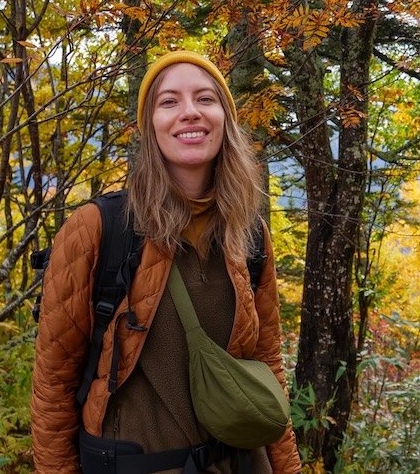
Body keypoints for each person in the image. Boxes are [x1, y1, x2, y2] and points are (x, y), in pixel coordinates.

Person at [31, 50, 302, 473]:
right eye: (169, 102)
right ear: (150, 126)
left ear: (225, 120)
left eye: (206, 99)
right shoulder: (99, 229)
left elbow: (266, 365)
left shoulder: (247, 235)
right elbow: (54, 383)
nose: (189, 113)